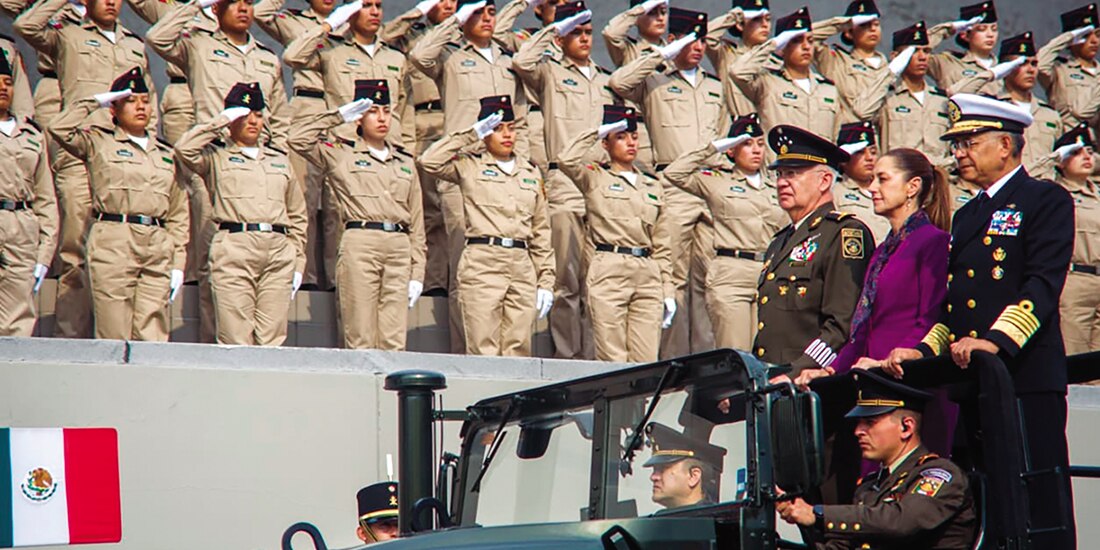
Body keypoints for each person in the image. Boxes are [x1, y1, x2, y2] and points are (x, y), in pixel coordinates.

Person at [886, 93, 1077, 549]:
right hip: (974, 381)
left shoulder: (1044, 199)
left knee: (1036, 496)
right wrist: (924, 350)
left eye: (969, 142)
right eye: (956, 145)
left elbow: (1041, 286)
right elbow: (956, 307)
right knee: (982, 496)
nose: (959, 153)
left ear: (1006, 146)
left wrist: (995, 341)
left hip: (1022, 374)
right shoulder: (970, 213)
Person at [147, 0, 295, 344]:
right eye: (233, 3)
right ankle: (220, 343)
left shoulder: (267, 57)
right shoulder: (200, 45)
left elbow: (281, 118)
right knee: (216, 258)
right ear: (217, 9)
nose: (243, 8)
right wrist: (196, 5)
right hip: (214, 158)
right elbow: (158, 38)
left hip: (259, 165)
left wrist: (276, 158)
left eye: (248, 2)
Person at [14, 0, 159, 339]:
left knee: (121, 252)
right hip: (81, 150)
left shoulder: (133, 44)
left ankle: (120, 342)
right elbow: (25, 27)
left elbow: (148, 96)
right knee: (76, 253)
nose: (111, 2)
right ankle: (71, 340)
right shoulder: (68, 34)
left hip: (123, 158)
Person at [409, 0, 531, 354]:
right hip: (463, 168)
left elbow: (519, 117)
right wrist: (456, 20)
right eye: (477, 13)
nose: (486, 19)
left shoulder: (510, 60)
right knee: (469, 270)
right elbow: (420, 55)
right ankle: (470, 354)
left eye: (490, 12)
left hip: (506, 173)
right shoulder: (450, 56)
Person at [609, 7, 727, 359]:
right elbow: (618, 83)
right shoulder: (655, 78)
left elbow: (721, 134)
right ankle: (673, 363)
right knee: (671, 279)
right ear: (673, 40)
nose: (699, 47)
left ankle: (706, 362)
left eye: (703, 40)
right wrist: (660, 55)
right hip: (673, 185)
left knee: (709, 281)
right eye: (691, 39)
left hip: (708, 184)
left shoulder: (715, 86)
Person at [48, 68, 189, 341]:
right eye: (131, 101)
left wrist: (178, 261)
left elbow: (178, 211)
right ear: (113, 108)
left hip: (156, 244)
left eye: (145, 101)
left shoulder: (165, 153)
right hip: (114, 238)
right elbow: (58, 128)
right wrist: (97, 101)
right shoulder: (99, 141)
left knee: (153, 336)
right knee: (114, 332)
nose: (140, 107)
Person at [289, 80, 426, 350]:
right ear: (359, 117)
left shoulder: (404, 160)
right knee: (360, 334)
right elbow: (297, 139)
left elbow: (417, 222)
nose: (382, 118)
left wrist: (418, 271)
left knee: (394, 340)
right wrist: (339, 115)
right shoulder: (342, 153)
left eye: (386, 110)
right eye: (373, 111)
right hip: (361, 242)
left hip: (399, 247)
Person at [833, 148, 953, 455]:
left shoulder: (933, 242)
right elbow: (862, 331)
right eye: (872, 179)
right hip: (875, 388)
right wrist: (832, 371)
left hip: (910, 387)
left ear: (912, 187)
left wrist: (905, 355)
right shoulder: (883, 250)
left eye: (883, 179)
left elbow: (931, 317)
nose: (872, 187)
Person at [776, 370, 977, 549]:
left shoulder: (941, 475)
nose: (858, 431)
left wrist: (817, 514)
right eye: (858, 423)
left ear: (906, 427)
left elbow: (901, 522)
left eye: (870, 422)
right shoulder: (870, 486)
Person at [513, 1, 612, 361]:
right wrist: (555, 29)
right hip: (564, 185)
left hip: (600, 183)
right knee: (567, 280)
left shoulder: (604, 79)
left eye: (588, 32)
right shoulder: (551, 74)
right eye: (577, 32)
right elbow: (522, 61)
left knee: (598, 281)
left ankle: (596, 359)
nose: (584, 38)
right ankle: (569, 357)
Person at [174, 83, 308, 346]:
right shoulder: (216, 156)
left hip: (278, 252)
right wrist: (222, 120)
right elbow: (183, 149)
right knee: (235, 339)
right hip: (234, 247)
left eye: (258, 114)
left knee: (272, 340)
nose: (253, 120)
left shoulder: (279, 160)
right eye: (244, 114)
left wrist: (298, 260)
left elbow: (298, 214)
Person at [418, 95, 553, 356]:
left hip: (521, 264)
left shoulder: (530, 172)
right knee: (483, 347)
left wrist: (546, 279)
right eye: (497, 128)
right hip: (483, 262)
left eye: (510, 128)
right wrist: (472, 133)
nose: (506, 135)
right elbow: (429, 160)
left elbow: (541, 231)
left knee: (519, 349)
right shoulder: (470, 165)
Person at [752, 125, 873, 384]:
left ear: (824, 181)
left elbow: (842, 325)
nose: (782, 182)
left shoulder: (844, 234)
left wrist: (797, 372)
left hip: (812, 382)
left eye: (793, 174)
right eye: (780, 174)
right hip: (775, 379)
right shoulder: (780, 241)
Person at [556, 105, 673, 363]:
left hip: (647, 271)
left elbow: (662, 245)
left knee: (646, 361)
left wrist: (669, 290)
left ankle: (641, 405)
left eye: (633, 136)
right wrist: (598, 132)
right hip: (609, 268)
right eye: (620, 136)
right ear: (606, 144)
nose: (630, 142)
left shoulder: (652, 185)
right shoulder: (595, 177)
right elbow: (565, 159)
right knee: (613, 359)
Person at [661, 113, 785, 351]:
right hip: (732, 273)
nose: (756, 150)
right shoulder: (716, 181)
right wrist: (714, 147)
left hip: (769, 273)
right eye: (746, 144)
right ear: (731, 150)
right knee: (737, 354)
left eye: (760, 144)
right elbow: (674, 173)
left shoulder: (777, 185)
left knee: (768, 354)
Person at [252, 0, 335, 290]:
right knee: (306, 196)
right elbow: (260, 13)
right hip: (308, 106)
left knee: (340, 200)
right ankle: (308, 274)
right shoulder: (297, 21)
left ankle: (336, 277)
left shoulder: (353, 22)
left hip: (344, 110)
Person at [381, 0, 457, 297]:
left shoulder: (462, 39)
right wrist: (420, 11)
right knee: (428, 210)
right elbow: (385, 36)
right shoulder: (414, 35)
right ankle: (434, 280)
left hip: (453, 122)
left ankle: (449, 276)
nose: (448, 5)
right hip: (423, 123)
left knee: (454, 208)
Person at [952, 32, 1064, 181]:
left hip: (1044, 193)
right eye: (1021, 64)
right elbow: (956, 94)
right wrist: (993, 73)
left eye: (1034, 64)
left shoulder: (1049, 114)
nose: (1030, 70)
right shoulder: (992, 108)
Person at [0, 51, 56, 337]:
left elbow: (45, 198)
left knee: (18, 318)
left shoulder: (31, 134)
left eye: (8, 82)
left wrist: (44, 253)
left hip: (21, 225)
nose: (3, 88)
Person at [730, 7, 842, 142]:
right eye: (796, 40)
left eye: (810, 40)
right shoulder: (768, 83)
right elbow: (737, 72)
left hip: (819, 163)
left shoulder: (828, 89)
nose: (806, 46)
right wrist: (774, 43)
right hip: (781, 162)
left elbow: (834, 141)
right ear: (782, 47)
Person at [856, 22, 953, 170]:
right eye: (913, 51)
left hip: (936, 180)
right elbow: (862, 111)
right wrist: (892, 70)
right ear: (896, 56)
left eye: (926, 51)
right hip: (898, 179)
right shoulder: (887, 98)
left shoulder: (941, 99)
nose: (922, 57)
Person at [1052, 124, 1100, 354]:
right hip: (1075, 280)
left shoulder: (1098, 193)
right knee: (1075, 357)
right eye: (1076, 152)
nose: (1086, 156)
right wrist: (1054, 156)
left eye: (1089, 151)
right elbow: (1026, 175)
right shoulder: (1053, 193)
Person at [600, 0, 663, 172]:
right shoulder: (630, 50)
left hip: (668, 128)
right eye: (652, 13)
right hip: (639, 130)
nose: (660, 18)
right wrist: (640, 9)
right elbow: (610, 33)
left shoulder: (675, 52)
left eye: (663, 12)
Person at [810, 0, 887, 125]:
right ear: (849, 32)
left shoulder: (892, 68)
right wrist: (843, 24)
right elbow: (806, 35)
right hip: (849, 138)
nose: (873, 29)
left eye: (876, 24)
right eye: (864, 25)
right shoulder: (836, 62)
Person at [704, 0, 771, 119]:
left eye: (768, 19)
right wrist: (736, 15)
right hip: (738, 129)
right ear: (740, 25)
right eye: (756, 19)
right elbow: (706, 36)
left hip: (768, 132)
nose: (765, 24)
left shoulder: (775, 59)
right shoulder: (727, 54)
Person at [1040, 4, 1100, 134]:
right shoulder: (1061, 69)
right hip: (1068, 142)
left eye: (1097, 34)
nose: (1094, 41)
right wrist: (1069, 37)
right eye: (1086, 35)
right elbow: (1040, 65)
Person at [925, 1, 1001, 97]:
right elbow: (913, 50)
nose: (990, 34)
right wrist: (951, 28)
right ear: (964, 35)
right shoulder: (947, 63)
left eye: (994, 29)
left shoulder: (1006, 68)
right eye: (982, 29)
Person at [643, 422, 725, 509]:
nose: (653, 477)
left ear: (693, 476)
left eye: (663, 469)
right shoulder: (658, 521)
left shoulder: (713, 520)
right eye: (655, 470)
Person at [832, 122, 891, 243]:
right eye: (860, 152)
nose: (869, 158)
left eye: (873, 152)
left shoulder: (889, 190)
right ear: (843, 159)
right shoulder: (834, 193)